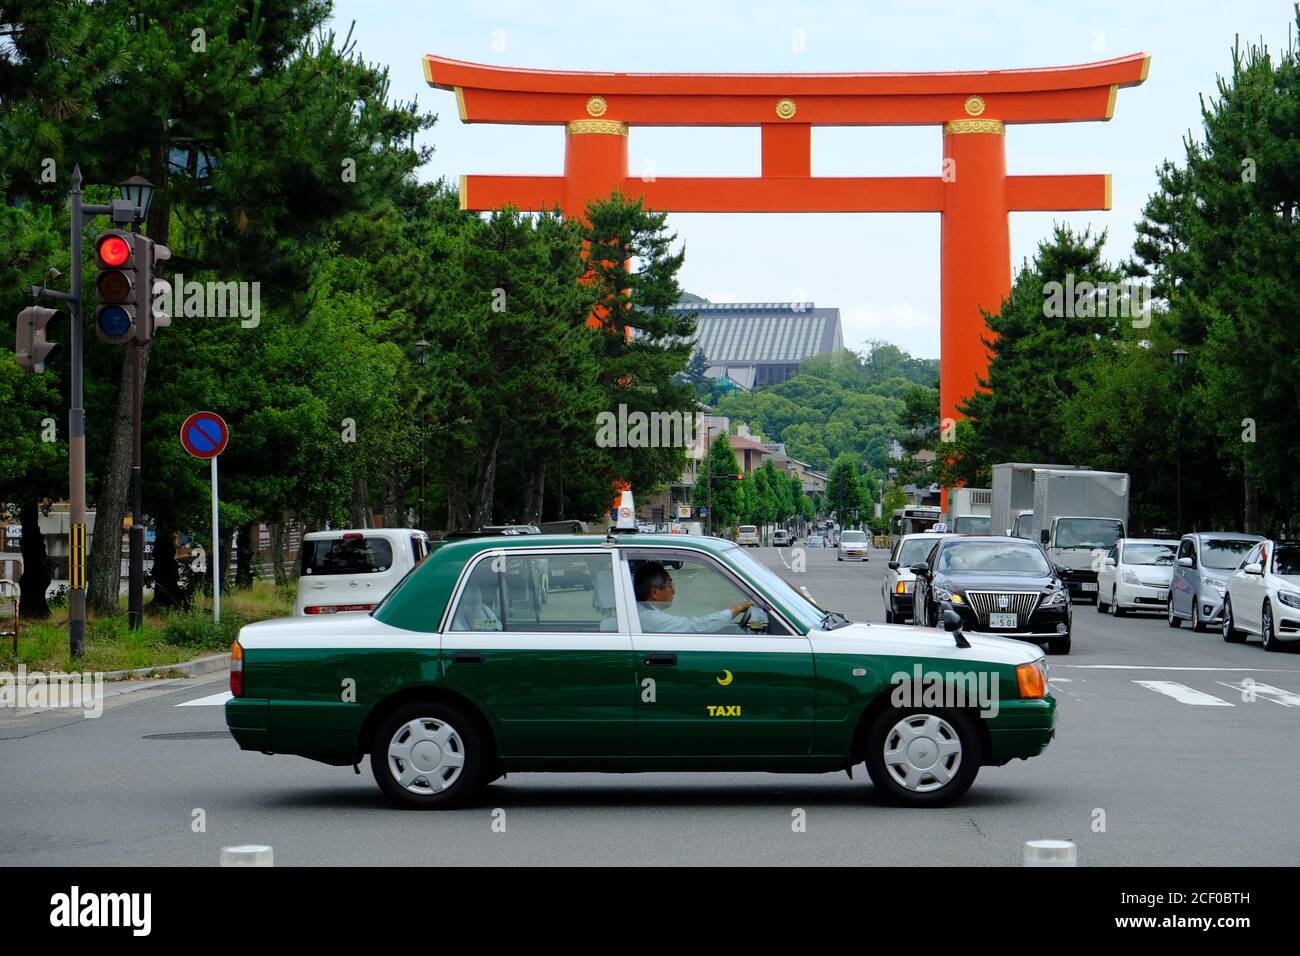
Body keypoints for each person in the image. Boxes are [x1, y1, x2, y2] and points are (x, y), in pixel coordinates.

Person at [633, 561, 751, 633]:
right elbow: (695, 626)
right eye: (670, 585)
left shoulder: (640, 612)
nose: (674, 591)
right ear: (655, 592)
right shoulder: (650, 618)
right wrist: (737, 608)